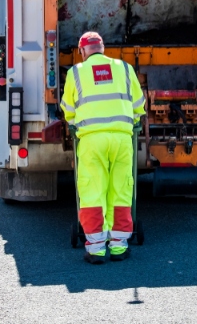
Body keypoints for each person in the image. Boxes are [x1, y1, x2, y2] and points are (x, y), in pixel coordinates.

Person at [60, 31, 146, 264]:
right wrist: (134, 120)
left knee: (93, 191)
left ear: (82, 51)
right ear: (102, 48)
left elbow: (68, 109)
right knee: (120, 189)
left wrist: (73, 121)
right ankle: (119, 247)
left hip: (91, 141)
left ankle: (96, 249)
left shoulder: (75, 72)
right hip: (122, 139)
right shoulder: (125, 68)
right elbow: (139, 104)